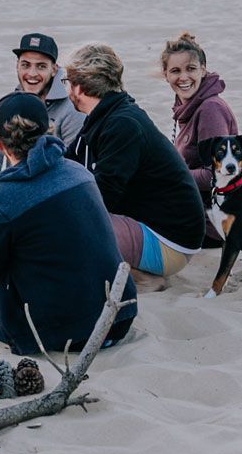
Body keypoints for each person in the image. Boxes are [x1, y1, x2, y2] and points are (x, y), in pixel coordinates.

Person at [0, 92, 136, 354]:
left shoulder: (0, 195)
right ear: (49, 131)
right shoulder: (80, 173)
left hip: (62, 333)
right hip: (119, 319)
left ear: (0, 144)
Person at [63, 43, 205, 280]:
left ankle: (140, 278)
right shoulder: (103, 117)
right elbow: (66, 163)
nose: (66, 88)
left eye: (66, 82)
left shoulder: (123, 124)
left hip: (170, 243)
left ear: (78, 87)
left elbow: (105, 196)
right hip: (149, 228)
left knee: (64, 226)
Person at [0, 32, 85, 215]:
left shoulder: (71, 108)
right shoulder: (8, 105)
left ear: (54, 69)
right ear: (17, 66)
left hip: (51, 192)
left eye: (41, 66)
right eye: (25, 65)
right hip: (11, 188)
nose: (32, 73)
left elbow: (72, 167)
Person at [161, 32, 239, 245]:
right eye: (175, 71)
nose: (183, 77)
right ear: (165, 75)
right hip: (189, 203)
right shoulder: (186, 106)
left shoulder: (210, 109)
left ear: (203, 70)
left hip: (212, 222)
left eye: (191, 69)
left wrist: (170, 176)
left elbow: (218, 175)